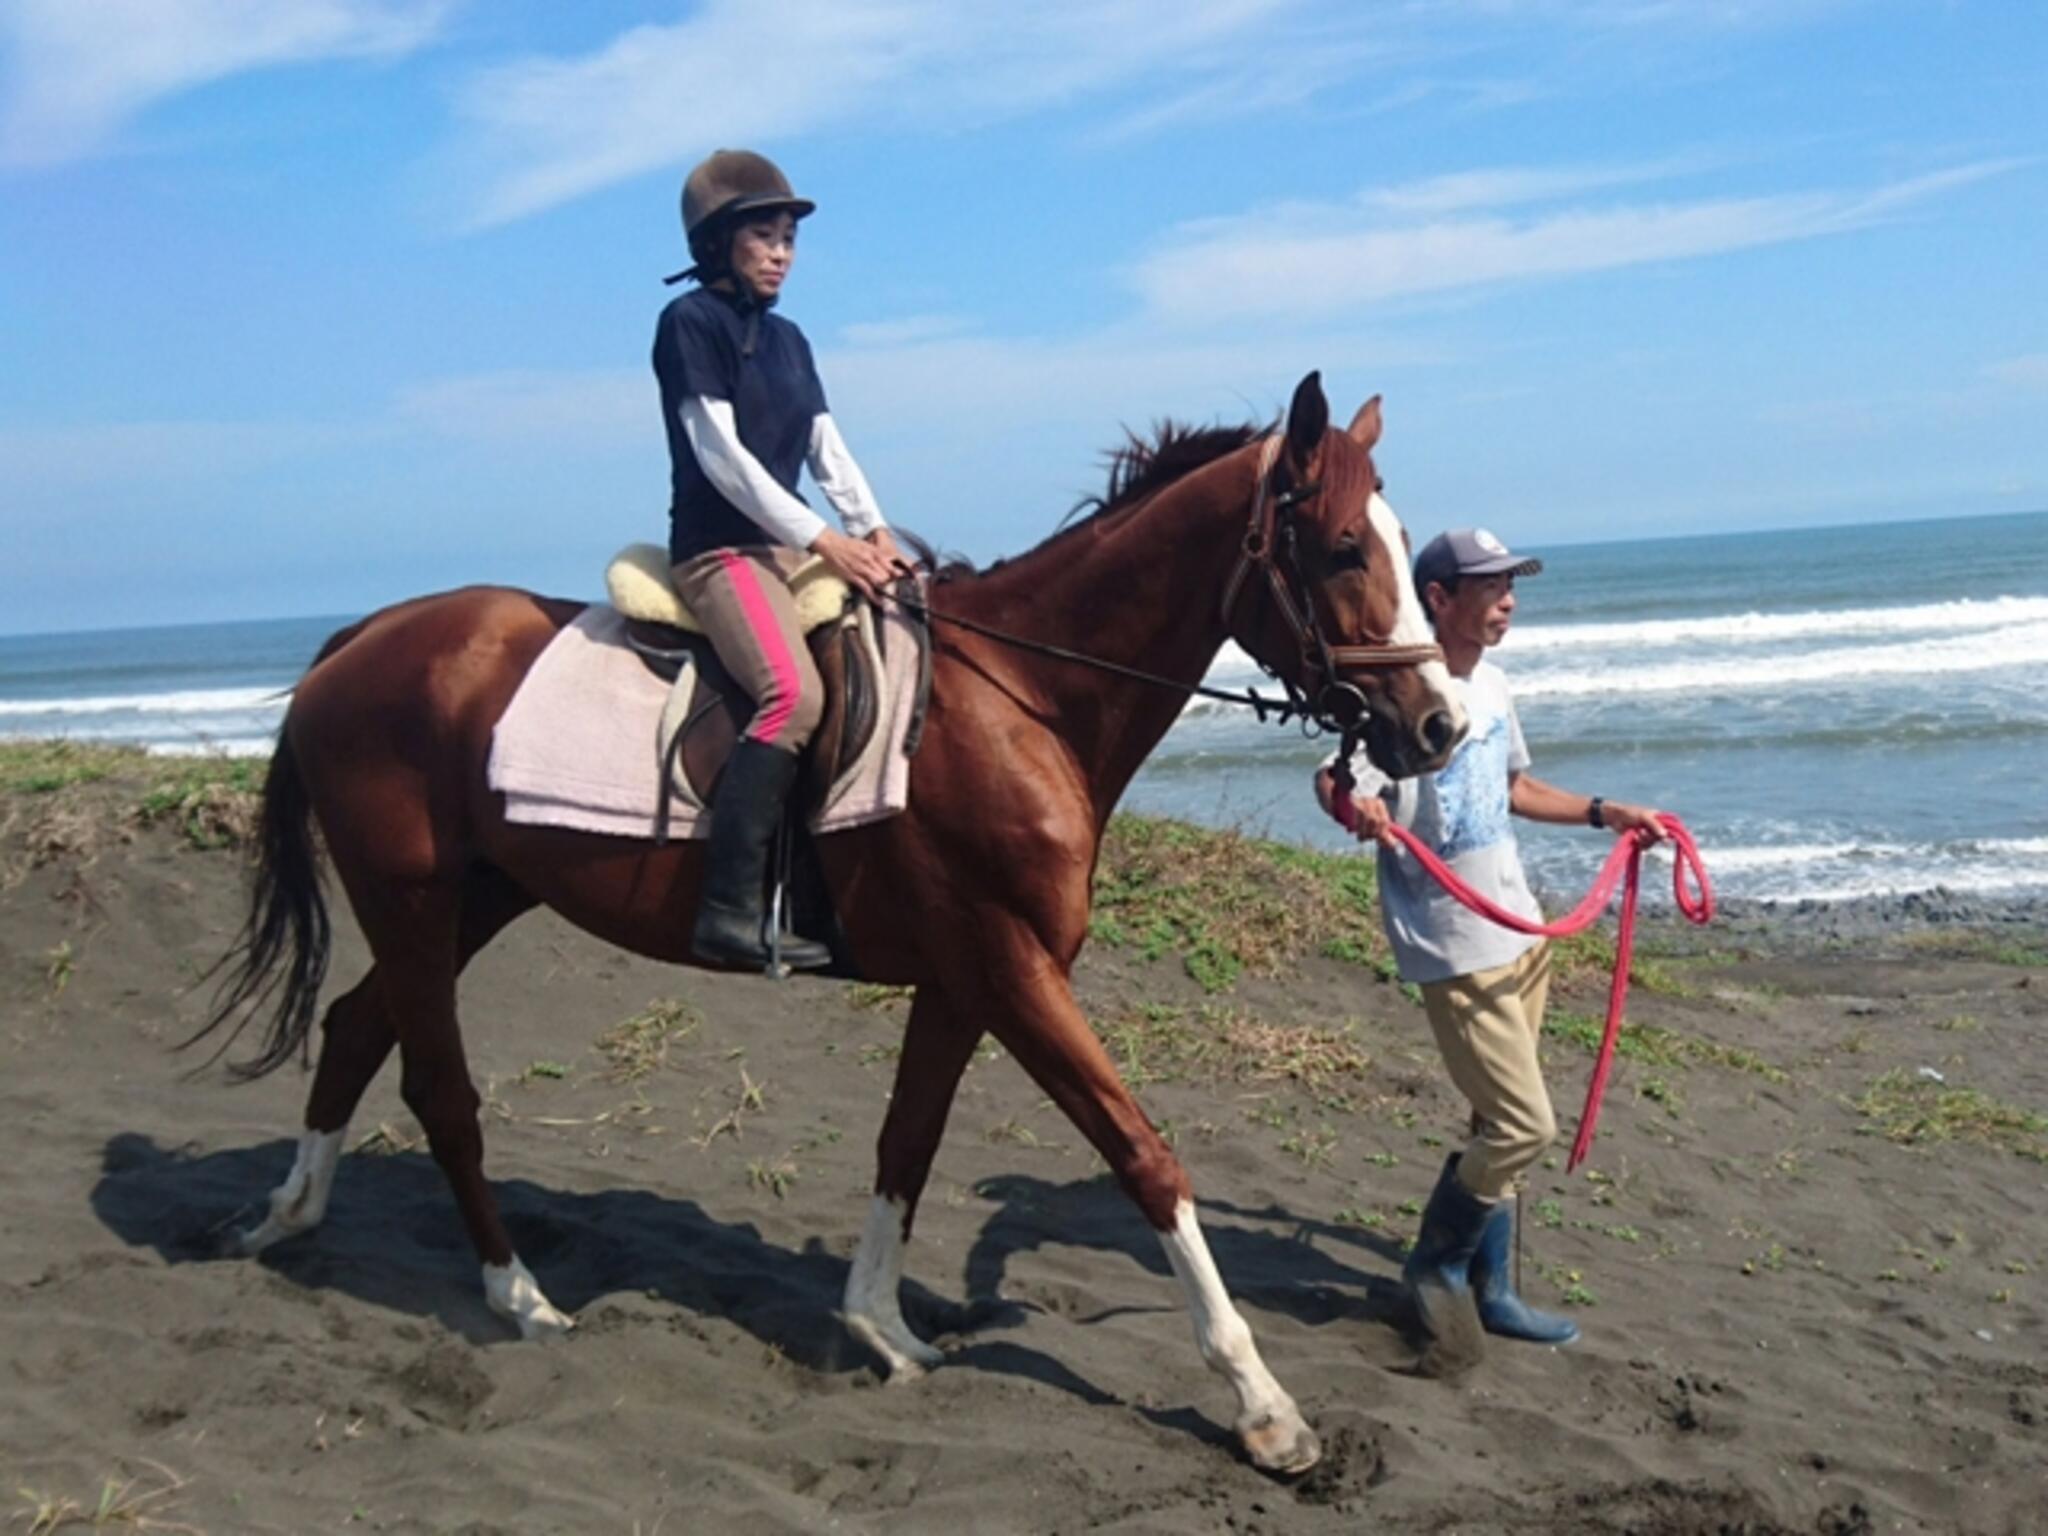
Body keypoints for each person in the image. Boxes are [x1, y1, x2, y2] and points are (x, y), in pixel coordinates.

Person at [1314, 527, 1666, 1352]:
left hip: (1516, 927)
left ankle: (1494, 1285)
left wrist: (1602, 811)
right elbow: (1335, 779)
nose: (1508, 599)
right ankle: (1436, 1267)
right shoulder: (1397, 697)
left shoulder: (1496, 686)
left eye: (1512, 583)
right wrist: (1353, 808)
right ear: (1438, 597)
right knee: (1523, 1125)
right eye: (1490, 585)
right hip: (1451, 938)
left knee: (1493, 1119)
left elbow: (1514, 788)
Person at [654, 149, 909, 971]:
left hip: (786, 547)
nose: (780, 253)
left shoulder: (792, 340)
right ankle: (726, 913)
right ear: (718, 243)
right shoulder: (690, 325)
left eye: (789, 239)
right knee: (791, 697)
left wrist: (873, 529)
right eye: (763, 236)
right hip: (719, 550)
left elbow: (825, 447)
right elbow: (721, 457)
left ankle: (826, 884)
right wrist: (824, 539)